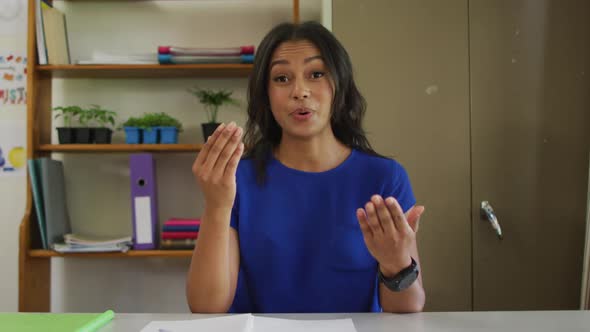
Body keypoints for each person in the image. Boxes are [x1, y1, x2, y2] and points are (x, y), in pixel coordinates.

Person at [186, 21, 425, 313]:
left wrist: (396, 265)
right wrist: (216, 207)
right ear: (266, 95)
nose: (300, 91)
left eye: (316, 74)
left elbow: (408, 308)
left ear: (340, 84)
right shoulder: (238, 180)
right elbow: (205, 307)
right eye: (282, 78)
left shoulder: (385, 178)